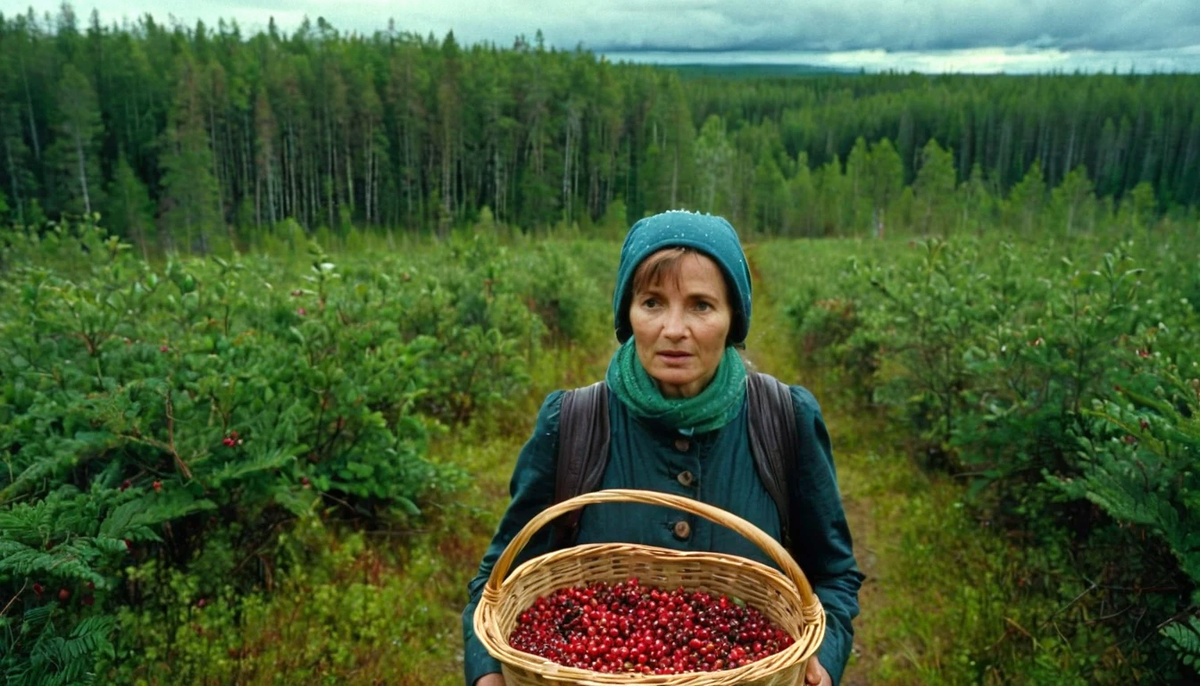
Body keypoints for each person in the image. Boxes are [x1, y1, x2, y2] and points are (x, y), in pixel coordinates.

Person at [462, 210, 863, 686]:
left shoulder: (784, 419)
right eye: (652, 302)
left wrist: (824, 661)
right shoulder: (572, 423)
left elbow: (834, 575)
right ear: (627, 314)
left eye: (701, 305)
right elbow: (497, 581)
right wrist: (487, 673)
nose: (674, 328)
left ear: (733, 318)